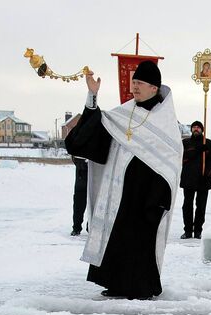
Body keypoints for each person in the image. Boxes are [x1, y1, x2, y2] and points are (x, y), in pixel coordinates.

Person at [64, 60, 183, 299]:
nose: (135, 87)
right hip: (118, 192)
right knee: (117, 237)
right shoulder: (124, 113)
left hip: (149, 195)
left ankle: (142, 288)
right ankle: (115, 283)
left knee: (141, 242)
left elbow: (170, 164)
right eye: (134, 82)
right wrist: (92, 96)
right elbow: (93, 132)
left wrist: (160, 199)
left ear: (154, 87)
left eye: (140, 83)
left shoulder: (165, 122)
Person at [180, 121, 211, 239]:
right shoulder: (185, 143)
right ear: (191, 129)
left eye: (198, 127)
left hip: (203, 181)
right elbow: (182, 157)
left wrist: (207, 175)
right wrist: (197, 150)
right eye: (194, 127)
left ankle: (198, 231)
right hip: (188, 179)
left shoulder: (209, 144)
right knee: (187, 206)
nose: (196, 129)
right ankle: (187, 231)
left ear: (202, 130)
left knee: (201, 206)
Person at [70, 155, 88, 236]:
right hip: (82, 168)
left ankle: (90, 226)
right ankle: (77, 227)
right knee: (79, 201)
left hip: (92, 166)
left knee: (94, 201)